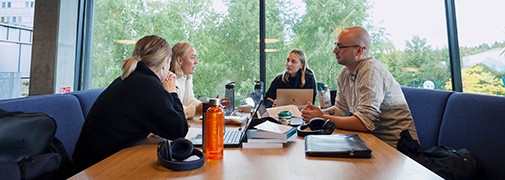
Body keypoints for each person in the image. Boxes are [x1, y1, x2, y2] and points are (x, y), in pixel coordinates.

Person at [72, 35, 188, 172]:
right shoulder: (147, 85)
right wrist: (171, 92)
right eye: (169, 62)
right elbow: (179, 130)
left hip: (88, 161)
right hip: (96, 167)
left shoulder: (131, 78)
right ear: (164, 64)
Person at [301, 26, 418, 148]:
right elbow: (341, 110)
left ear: (359, 51)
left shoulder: (371, 71)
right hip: (370, 140)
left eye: (340, 47)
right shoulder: (344, 73)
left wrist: (323, 118)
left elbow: (365, 123)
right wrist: (318, 113)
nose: (335, 51)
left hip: (397, 148)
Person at [170, 42, 229, 119]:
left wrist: (207, 105)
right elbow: (175, 110)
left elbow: (189, 100)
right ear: (180, 60)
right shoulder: (169, 81)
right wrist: (198, 109)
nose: (196, 62)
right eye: (192, 58)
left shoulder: (187, 77)